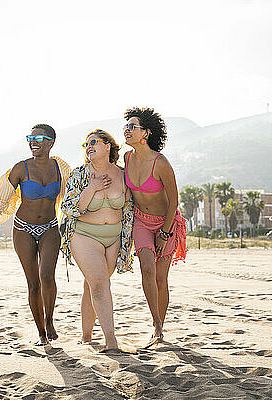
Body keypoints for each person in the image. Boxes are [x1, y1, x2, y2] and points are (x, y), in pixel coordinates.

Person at [0, 124, 71, 345]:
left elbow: (76, 190)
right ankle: (40, 332)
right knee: (33, 284)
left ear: (51, 141)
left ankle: (50, 320)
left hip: (50, 227)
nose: (33, 142)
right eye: (30, 137)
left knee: (47, 276)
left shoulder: (60, 168)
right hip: (23, 229)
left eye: (38, 137)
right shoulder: (20, 168)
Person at [60, 129, 134, 350]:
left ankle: (86, 335)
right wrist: (91, 188)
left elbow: (129, 210)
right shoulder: (79, 174)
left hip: (113, 238)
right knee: (101, 284)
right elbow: (71, 208)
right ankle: (111, 340)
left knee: (92, 285)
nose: (88, 146)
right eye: (86, 144)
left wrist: (128, 242)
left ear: (108, 146)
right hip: (85, 236)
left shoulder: (123, 175)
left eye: (94, 142)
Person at [122, 107, 187, 347]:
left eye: (132, 126)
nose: (127, 130)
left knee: (161, 278)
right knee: (146, 269)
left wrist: (165, 232)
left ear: (146, 133)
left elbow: (174, 201)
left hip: (165, 221)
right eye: (126, 126)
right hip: (141, 221)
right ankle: (156, 325)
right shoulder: (127, 158)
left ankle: (160, 326)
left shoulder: (161, 164)